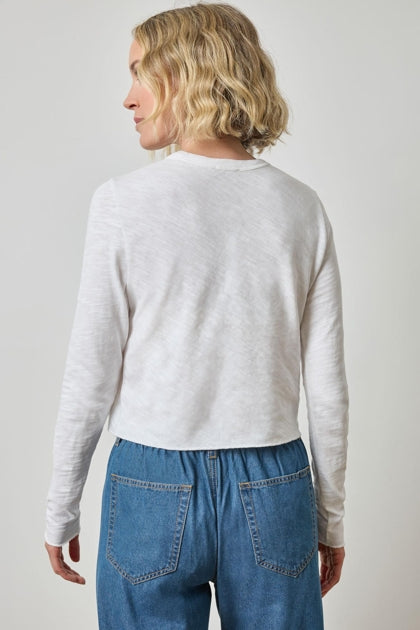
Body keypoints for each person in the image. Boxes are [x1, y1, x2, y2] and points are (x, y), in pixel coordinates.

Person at [44, 3, 349, 628]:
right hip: (273, 483)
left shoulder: (123, 203)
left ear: (184, 75)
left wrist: (61, 508)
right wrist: (329, 519)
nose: (128, 98)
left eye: (139, 72)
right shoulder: (301, 207)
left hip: (151, 481)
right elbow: (328, 390)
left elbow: (90, 374)